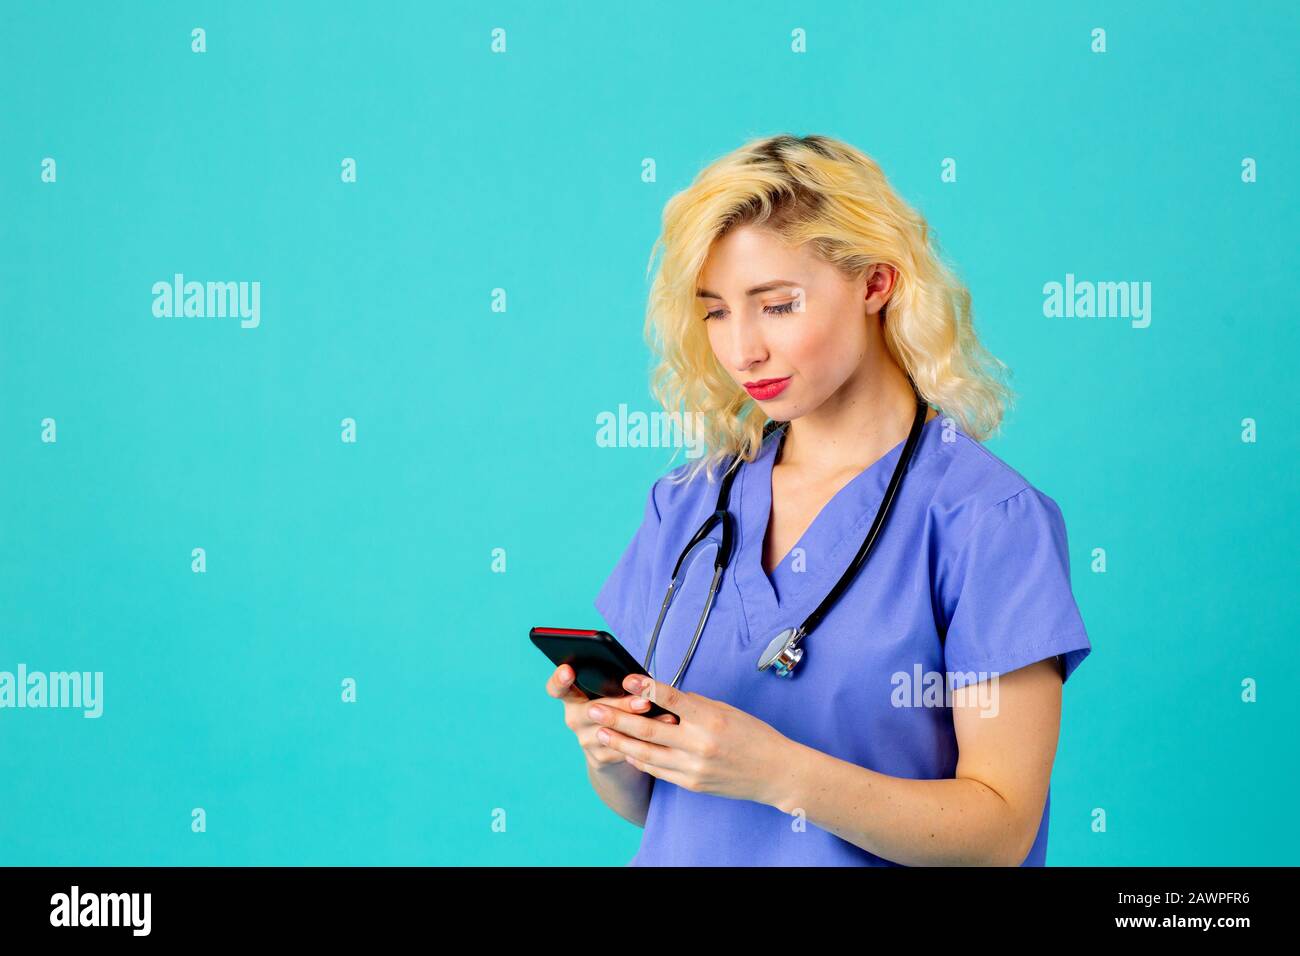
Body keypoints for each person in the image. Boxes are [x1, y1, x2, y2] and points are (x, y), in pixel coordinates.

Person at [544, 133, 1092, 866]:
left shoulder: (985, 519)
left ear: (874, 284)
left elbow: (997, 834)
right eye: (715, 311)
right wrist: (614, 751)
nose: (743, 351)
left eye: (776, 306)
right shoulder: (689, 504)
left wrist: (780, 772)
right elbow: (651, 808)